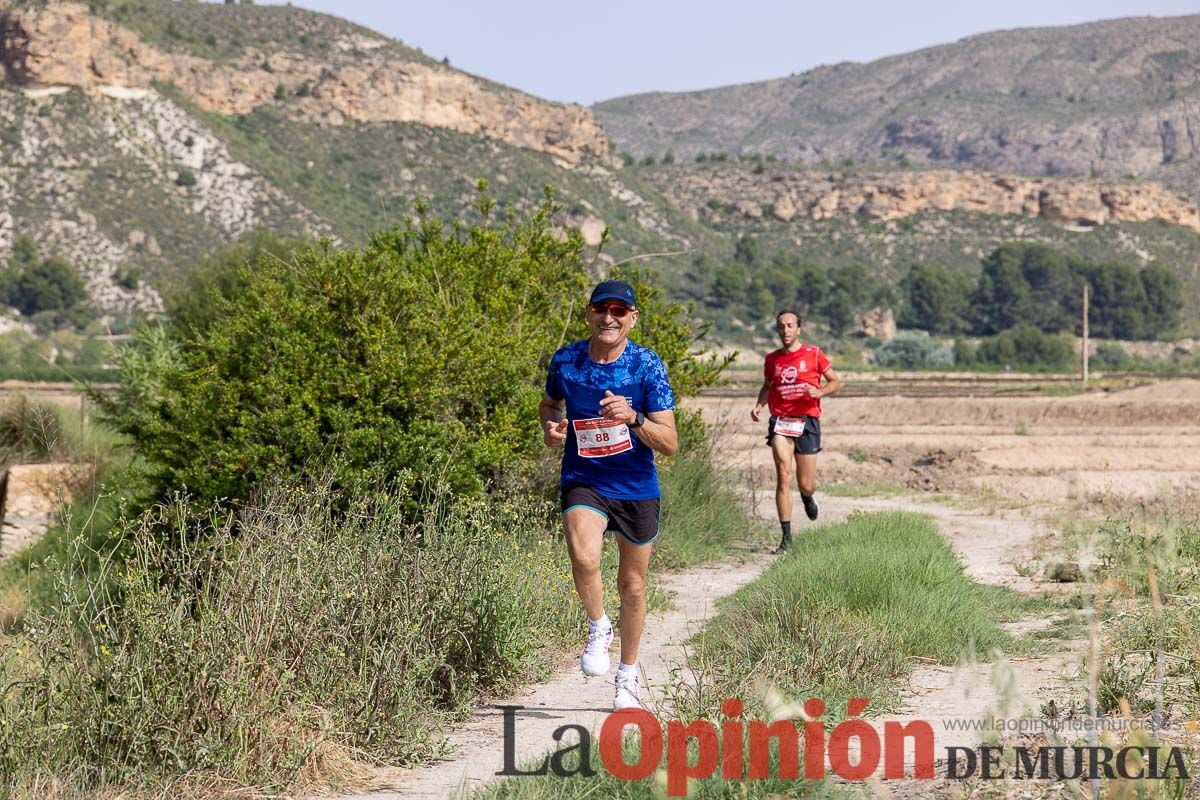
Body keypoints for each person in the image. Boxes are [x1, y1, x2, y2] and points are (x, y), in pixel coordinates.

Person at [539, 279, 678, 710]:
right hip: (585, 478)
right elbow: (549, 405)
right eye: (602, 308)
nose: (609, 317)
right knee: (584, 556)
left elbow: (670, 442)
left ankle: (627, 676)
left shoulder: (646, 366)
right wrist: (552, 427)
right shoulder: (566, 361)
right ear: (588, 313)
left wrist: (634, 417)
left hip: (636, 486)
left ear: (632, 319)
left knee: (632, 585)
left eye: (620, 310)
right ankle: (599, 625)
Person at [751, 309, 843, 553]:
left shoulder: (813, 355)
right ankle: (786, 538)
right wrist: (760, 405)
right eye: (781, 326)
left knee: (806, 483)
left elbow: (836, 382)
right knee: (784, 474)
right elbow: (767, 386)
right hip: (781, 421)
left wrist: (820, 391)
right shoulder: (772, 359)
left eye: (790, 326)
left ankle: (807, 496)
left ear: (798, 329)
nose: (786, 330)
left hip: (807, 422)